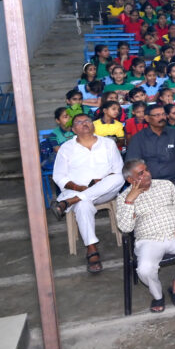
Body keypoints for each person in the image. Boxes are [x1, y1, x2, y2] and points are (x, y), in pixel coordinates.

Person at [116, 160, 175, 313]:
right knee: (144, 269)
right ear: (130, 179)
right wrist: (130, 201)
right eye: (141, 173)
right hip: (149, 239)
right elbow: (125, 228)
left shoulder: (166, 185)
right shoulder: (123, 198)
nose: (147, 174)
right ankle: (157, 295)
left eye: (147, 170)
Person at [51, 113, 125, 273]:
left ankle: (69, 202)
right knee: (83, 205)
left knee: (119, 178)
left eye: (87, 121)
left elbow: (118, 169)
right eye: (79, 122)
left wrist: (102, 180)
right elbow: (58, 176)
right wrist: (78, 188)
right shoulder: (66, 148)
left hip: (104, 191)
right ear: (73, 129)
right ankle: (92, 248)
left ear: (93, 125)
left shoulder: (108, 144)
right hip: (76, 190)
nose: (84, 123)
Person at [125, 104, 175, 211]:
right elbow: (132, 165)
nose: (161, 117)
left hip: (174, 180)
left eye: (163, 114)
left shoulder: (174, 133)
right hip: (151, 183)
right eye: (157, 115)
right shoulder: (138, 138)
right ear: (147, 118)